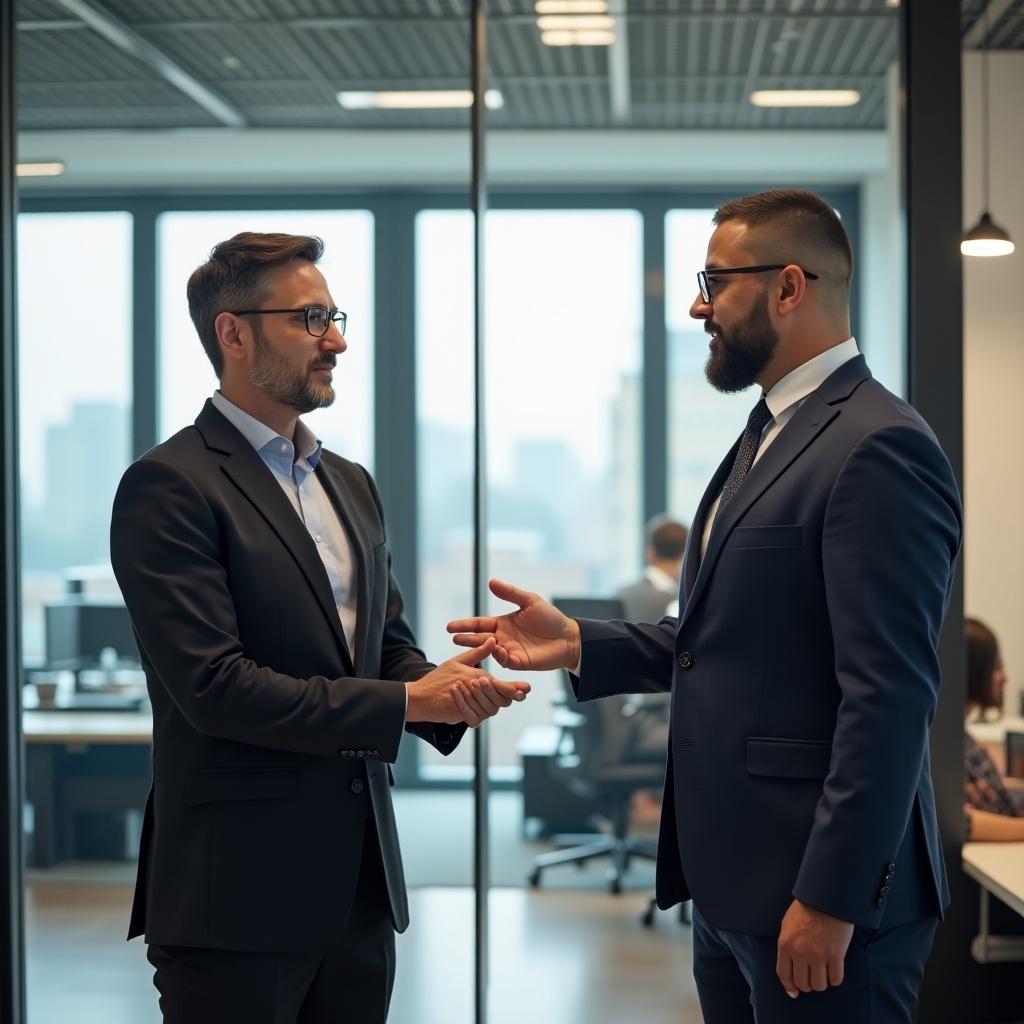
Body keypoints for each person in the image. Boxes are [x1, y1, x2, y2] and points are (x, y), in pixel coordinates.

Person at [449, 189, 963, 1023]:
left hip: (821, 901)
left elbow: (891, 696)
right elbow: (726, 639)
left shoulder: (877, 445)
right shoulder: (771, 430)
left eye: (714, 281)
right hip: (735, 890)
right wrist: (579, 641)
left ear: (789, 287)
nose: (697, 305)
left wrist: (830, 900)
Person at [110, 231, 529, 1024]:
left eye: (334, 315)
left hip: (360, 892)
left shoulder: (348, 482)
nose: (336, 338)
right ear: (233, 333)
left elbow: (386, 647)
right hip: (234, 902)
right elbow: (214, 688)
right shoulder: (169, 485)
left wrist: (453, 683)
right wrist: (411, 706)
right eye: (310, 318)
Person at [615, 516, 688, 763]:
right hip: (659, 719)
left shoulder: (620, 595)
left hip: (618, 722)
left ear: (651, 551)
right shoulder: (681, 603)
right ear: (686, 553)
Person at [963, 617, 1024, 840]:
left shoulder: (962, 740)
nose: (1005, 678)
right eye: (997, 667)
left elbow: (998, 794)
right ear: (974, 670)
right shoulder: (946, 747)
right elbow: (961, 822)